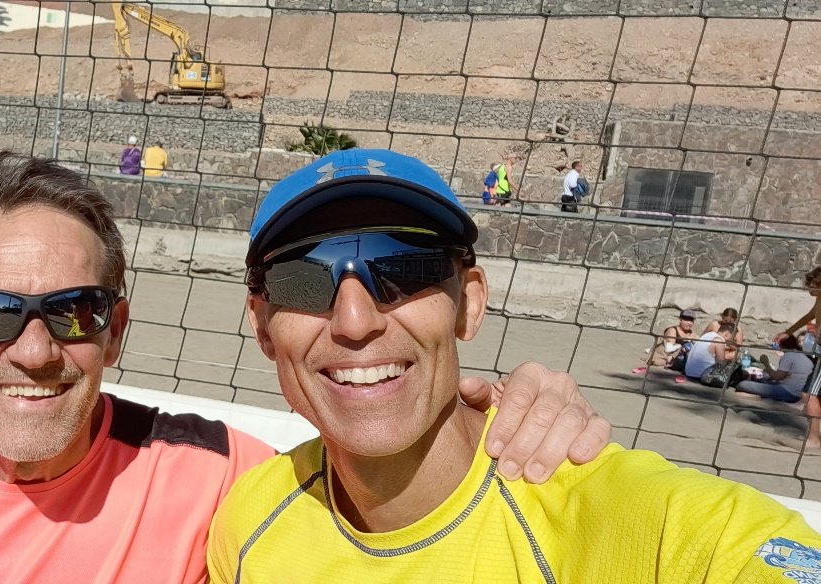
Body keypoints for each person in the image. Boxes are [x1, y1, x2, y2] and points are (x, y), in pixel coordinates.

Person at [0, 152, 613, 583]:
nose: (34, 351)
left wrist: (517, 408)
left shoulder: (220, 479)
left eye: (75, 310)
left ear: (117, 331)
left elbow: (384, 459)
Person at [206, 148, 821, 583]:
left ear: (469, 305)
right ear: (262, 327)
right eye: (302, 281)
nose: (355, 320)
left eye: (404, 268)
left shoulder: (646, 523)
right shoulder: (249, 521)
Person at [783, 266, 821, 449]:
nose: (808, 287)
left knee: (811, 395)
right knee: (809, 394)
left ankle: (814, 439)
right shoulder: (819, 300)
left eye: (811, 283)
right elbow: (808, 316)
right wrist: (788, 332)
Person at [734, 333, 809, 404]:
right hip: (793, 390)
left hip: (788, 393)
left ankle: (760, 397)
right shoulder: (800, 355)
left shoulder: (789, 356)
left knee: (742, 384)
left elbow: (776, 377)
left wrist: (766, 363)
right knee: (763, 377)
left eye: (777, 344)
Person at [632, 309, 699, 382]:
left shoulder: (692, 333)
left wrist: (695, 340)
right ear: (680, 319)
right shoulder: (673, 330)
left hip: (684, 360)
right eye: (686, 319)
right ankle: (687, 373)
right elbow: (669, 349)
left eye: (691, 320)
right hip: (671, 360)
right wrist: (687, 342)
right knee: (689, 346)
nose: (688, 323)